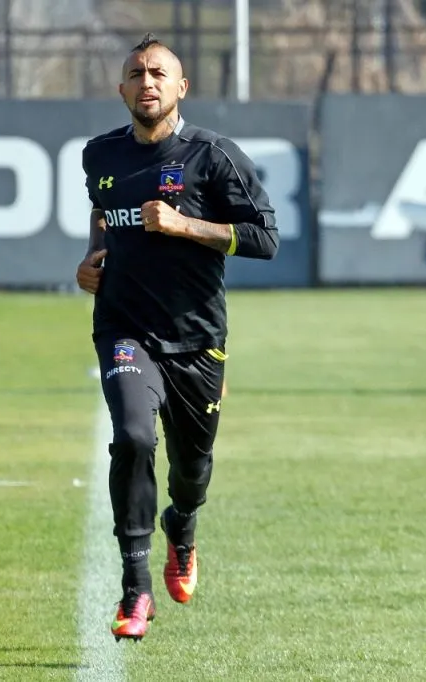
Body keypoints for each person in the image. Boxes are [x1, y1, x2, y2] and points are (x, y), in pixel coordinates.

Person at [76, 32, 279, 642]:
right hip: (124, 328)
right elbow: (102, 214)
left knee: (191, 470)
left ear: (181, 87)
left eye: (159, 73)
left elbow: (265, 239)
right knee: (134, 438)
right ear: (121, 89)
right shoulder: (99, 155)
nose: (148, 82)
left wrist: (186, 225)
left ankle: (182, 525)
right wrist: (91, 259)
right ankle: (135, 588)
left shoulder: (214, 156)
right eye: (137, 74)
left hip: (196, 339)